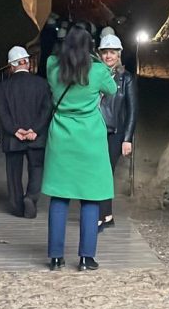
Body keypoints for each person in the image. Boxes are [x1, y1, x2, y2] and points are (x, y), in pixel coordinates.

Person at [43, 27, 118, 271]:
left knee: (59, 196)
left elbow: (56, 61)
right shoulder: (97, 71)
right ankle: (86, 257)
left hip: (61, 136)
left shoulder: (53, 65)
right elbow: (113, 90)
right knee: (91, 197)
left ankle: (55, 257)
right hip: (90, 139)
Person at [0, 46, 52, 219]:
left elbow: (1, 112)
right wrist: (35, 129)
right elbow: (47, 109)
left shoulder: (3, 86)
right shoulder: (42, 83)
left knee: (13, 172)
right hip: (36, 137)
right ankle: (31, 197)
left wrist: (15, 130)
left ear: (11, 66)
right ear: (27, 63)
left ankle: (17, 205)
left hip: (14, 138)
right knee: (36, 168)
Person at [97, 34, 138, 231]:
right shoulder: (94, 74)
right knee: (96, 172)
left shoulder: (126, 78)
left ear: (119, 54)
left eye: (112, 52)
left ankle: (102, 215)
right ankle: (105, 215)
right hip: (94, 131)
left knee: (105, 173)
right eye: (105, 52)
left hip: (115, 133)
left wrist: (127, 138)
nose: (108, 56)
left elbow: (132, 110)